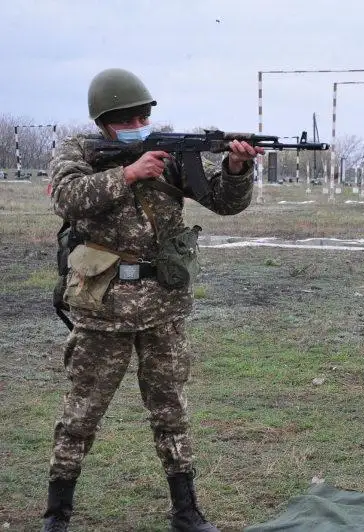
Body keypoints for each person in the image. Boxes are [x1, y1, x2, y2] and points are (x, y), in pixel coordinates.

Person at [42, 68, 263, 532]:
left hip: (163, 306)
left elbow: (224, 202)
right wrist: (127, 174)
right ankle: (56, 514)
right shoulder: (78, 150)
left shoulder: (170, 151)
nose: (140, 122)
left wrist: (236, 168)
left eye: (144, 114)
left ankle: (186, 511)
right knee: (81, 413)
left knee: (171, 410)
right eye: (129, 117)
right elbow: (66, 197)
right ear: (105, 121)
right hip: (102, 306)